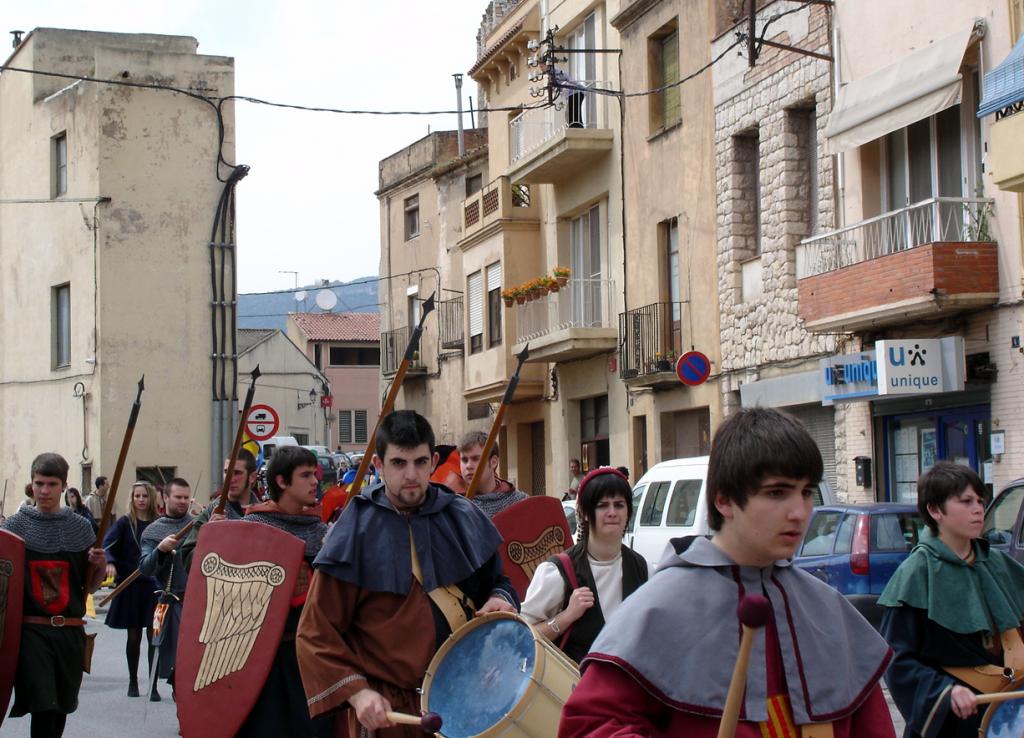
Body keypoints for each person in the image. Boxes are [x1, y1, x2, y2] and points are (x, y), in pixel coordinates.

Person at [558, 408, 896, 737]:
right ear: (723, 500)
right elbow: (590, 726)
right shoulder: (657, 608)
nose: (799, 511)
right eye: (777, 492)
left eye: (806, 492)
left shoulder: (828, 607)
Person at [296, 410, 519, 737]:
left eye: (420, 462)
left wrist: (499, 599)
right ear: (378, 465)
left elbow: (499, 583)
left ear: (434, 462)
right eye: (399, 463)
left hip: (467, 697)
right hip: (392, 714)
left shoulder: (461, 515)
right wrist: (358, 694)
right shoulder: (354, 531)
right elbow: (315, 634)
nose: (411, 474)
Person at [879, 462, 1024, 737]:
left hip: (1010, 719)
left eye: (980, 500)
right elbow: (895, 660)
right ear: (935, 510)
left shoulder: (998, 563)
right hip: (954, 725)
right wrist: (943, 691)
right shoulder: (915, 573)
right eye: (966, 501)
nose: (978, 509)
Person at [2, 453, 107, 738]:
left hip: (69, 632)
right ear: (31, 484)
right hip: (31, 631)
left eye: (51, 484)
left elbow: (91, 586)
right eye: (39, 483)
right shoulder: (13, 529)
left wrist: (98, 565)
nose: (44, 490)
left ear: (64, 486)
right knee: (43, 704)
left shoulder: (81, 529)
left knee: (60, 707)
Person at [237, 446, 331, 737]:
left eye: (314, 474)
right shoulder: (251, 529)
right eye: (305, 475)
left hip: (309, 655)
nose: (316, 480)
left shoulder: (321, 532)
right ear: (281, 482)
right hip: (263, 659)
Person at [521, 467, 650, 663]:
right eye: (602, 505)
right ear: (586, 513)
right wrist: (566, 617)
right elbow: (523, 638)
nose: (612, 512)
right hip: (575, 689)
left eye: (619, 505)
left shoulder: (643, 568)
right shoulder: (558, 572)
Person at [102, 481, 160, 699]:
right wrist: (110, 562)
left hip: (153, 587)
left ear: (151, 498)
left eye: (145, 496)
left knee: (154, 637)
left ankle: (153, 685)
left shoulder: (158, 523)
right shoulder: (125, 523)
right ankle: (133, 681)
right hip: (130, 585)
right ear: (132, 498)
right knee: (134, 636)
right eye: (137, 496)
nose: (141, 500)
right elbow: (107, 545)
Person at [138, 478, 194, 700]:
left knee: (192, 661)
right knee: (174, 660)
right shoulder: (153, 531)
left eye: (185, 497)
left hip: (198, 600)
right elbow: (145, 568)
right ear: (165, 498)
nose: (182, 502)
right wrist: (160, 550)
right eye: (178, 497)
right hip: (170, 601)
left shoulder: (198, 525)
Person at [180, 449, 259, 571]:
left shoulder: (263, 513)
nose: (230, 479)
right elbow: (189, 561)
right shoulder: (211, 512)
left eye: (237, 473)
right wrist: (211, 536)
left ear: (252, 477)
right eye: (226, 472)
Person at [459, 431, 527, 517]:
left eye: (476, 459)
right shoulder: (453, 505)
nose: (468, 466)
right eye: (464, 460)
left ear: (493, 462)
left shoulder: (520, 503)